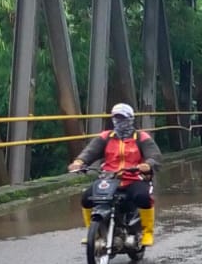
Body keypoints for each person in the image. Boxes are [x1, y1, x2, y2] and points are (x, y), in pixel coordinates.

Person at [69, 103, 161, 245]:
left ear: (131, 119)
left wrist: (147, 164)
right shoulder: (105, 137)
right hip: (109, 178)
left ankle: (147, 232)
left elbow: (154, 155)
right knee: (87, 198)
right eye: (116, 118)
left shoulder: (141, 137)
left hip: (132, 178)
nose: (119, 122)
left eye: (123, 118)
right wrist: (79, 162)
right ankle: (93, 233)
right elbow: (89, 152)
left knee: (143, 197)